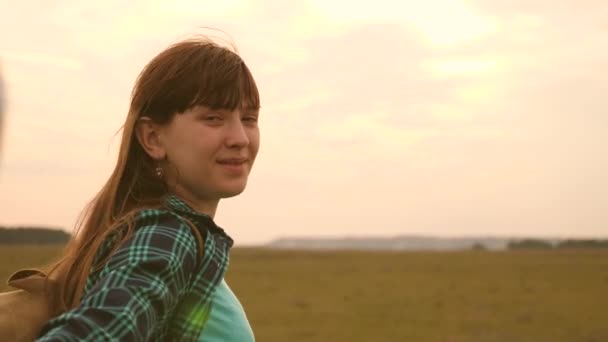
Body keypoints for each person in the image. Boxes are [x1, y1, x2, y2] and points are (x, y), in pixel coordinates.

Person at [36, 37, 260, 341]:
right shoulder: (168, 235)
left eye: (249, 118)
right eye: (213, 118)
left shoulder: (173, 235)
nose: (240, 138)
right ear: (152, 138)